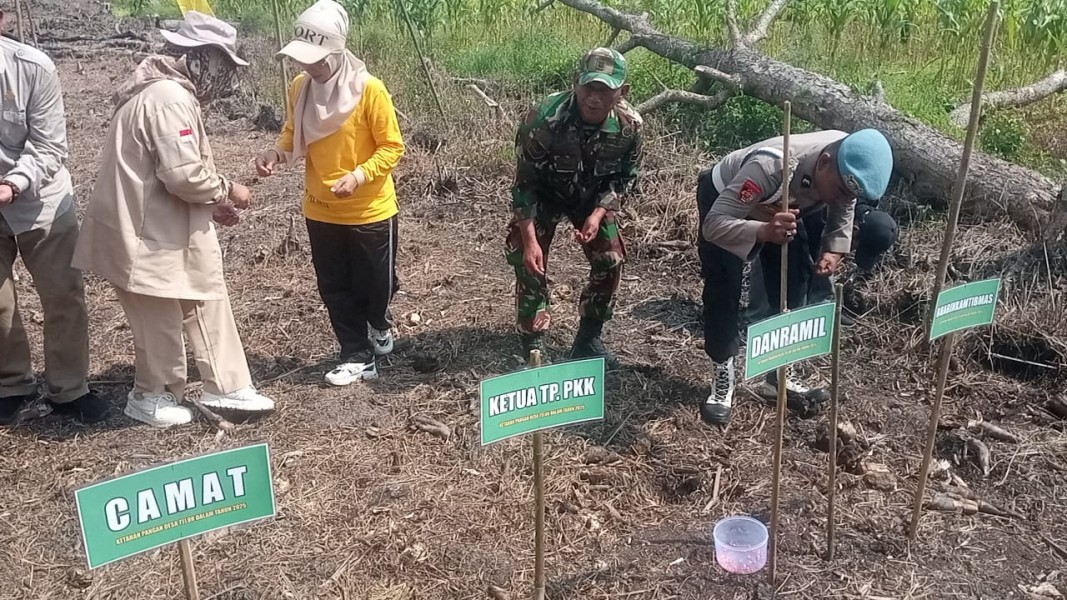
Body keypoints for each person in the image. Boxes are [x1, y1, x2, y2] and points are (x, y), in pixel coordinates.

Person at [73, 12, 275, 427]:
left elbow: (175, 173)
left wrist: (209, 203)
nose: (226, 79)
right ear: (201, 58)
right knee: (160, 317)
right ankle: (150, 396)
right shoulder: (168, 98)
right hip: (143, 236)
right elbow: (184, 176)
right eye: (223, 66)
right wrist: (228, 190)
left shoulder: (168, 93)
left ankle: (228, 385)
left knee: (205, 300)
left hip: (165, 228)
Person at [697, 129, 892, 425]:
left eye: (849, 193)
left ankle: (779, 373)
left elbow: (846, 203)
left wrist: (834, 248)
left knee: (794, 279)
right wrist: (763, 231)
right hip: (729, 204)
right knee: (724, 287)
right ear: (824, 162)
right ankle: (722, 376)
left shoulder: (847, 161)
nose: (842, 198)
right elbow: (714, 225)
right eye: (840, 190)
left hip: (786, 206)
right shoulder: (770, 166)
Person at [256, 0, 404, 387]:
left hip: (370, 209)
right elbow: (292, 132)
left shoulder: (369, 90)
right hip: (320, 208)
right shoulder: (299, 88)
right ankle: (356, 355)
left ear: (337, 53)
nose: (308, 68)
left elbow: (392, 146)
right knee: (334, 285)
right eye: (303, 60)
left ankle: (379, 322)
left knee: (378, 284)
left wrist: (359, 175)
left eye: (316, 60)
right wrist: (276, 152)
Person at [0, 8, 106, 426]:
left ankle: (70, 388)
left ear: (2, 18)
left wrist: (12, 185)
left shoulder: (33, 68)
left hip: (40, 201)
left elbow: (49, 146)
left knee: (63, 295)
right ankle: (11, 384)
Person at [505, 47, 642, 368]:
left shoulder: (630, 127)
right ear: (575, 83)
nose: (594, 98)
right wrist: (529, 242)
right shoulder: (542, 118)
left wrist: (596, 216)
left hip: (591, 198)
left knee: (611, 259)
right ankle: (533, 339)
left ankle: (588, 339)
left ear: (622, 92)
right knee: (528, 260)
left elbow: (624, 180)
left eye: (605, 90)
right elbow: (524, 185)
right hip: (544, 195)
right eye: (588, 87)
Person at [745, 202, 899, 324]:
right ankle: (758, 317)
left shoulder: (861, 206)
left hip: (821, 220)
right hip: (793, 213)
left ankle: (819, 310)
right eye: (856, 247)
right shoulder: (828, 209)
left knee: (826, 256)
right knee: (775, 255)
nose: (851, 251)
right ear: (855, 230)